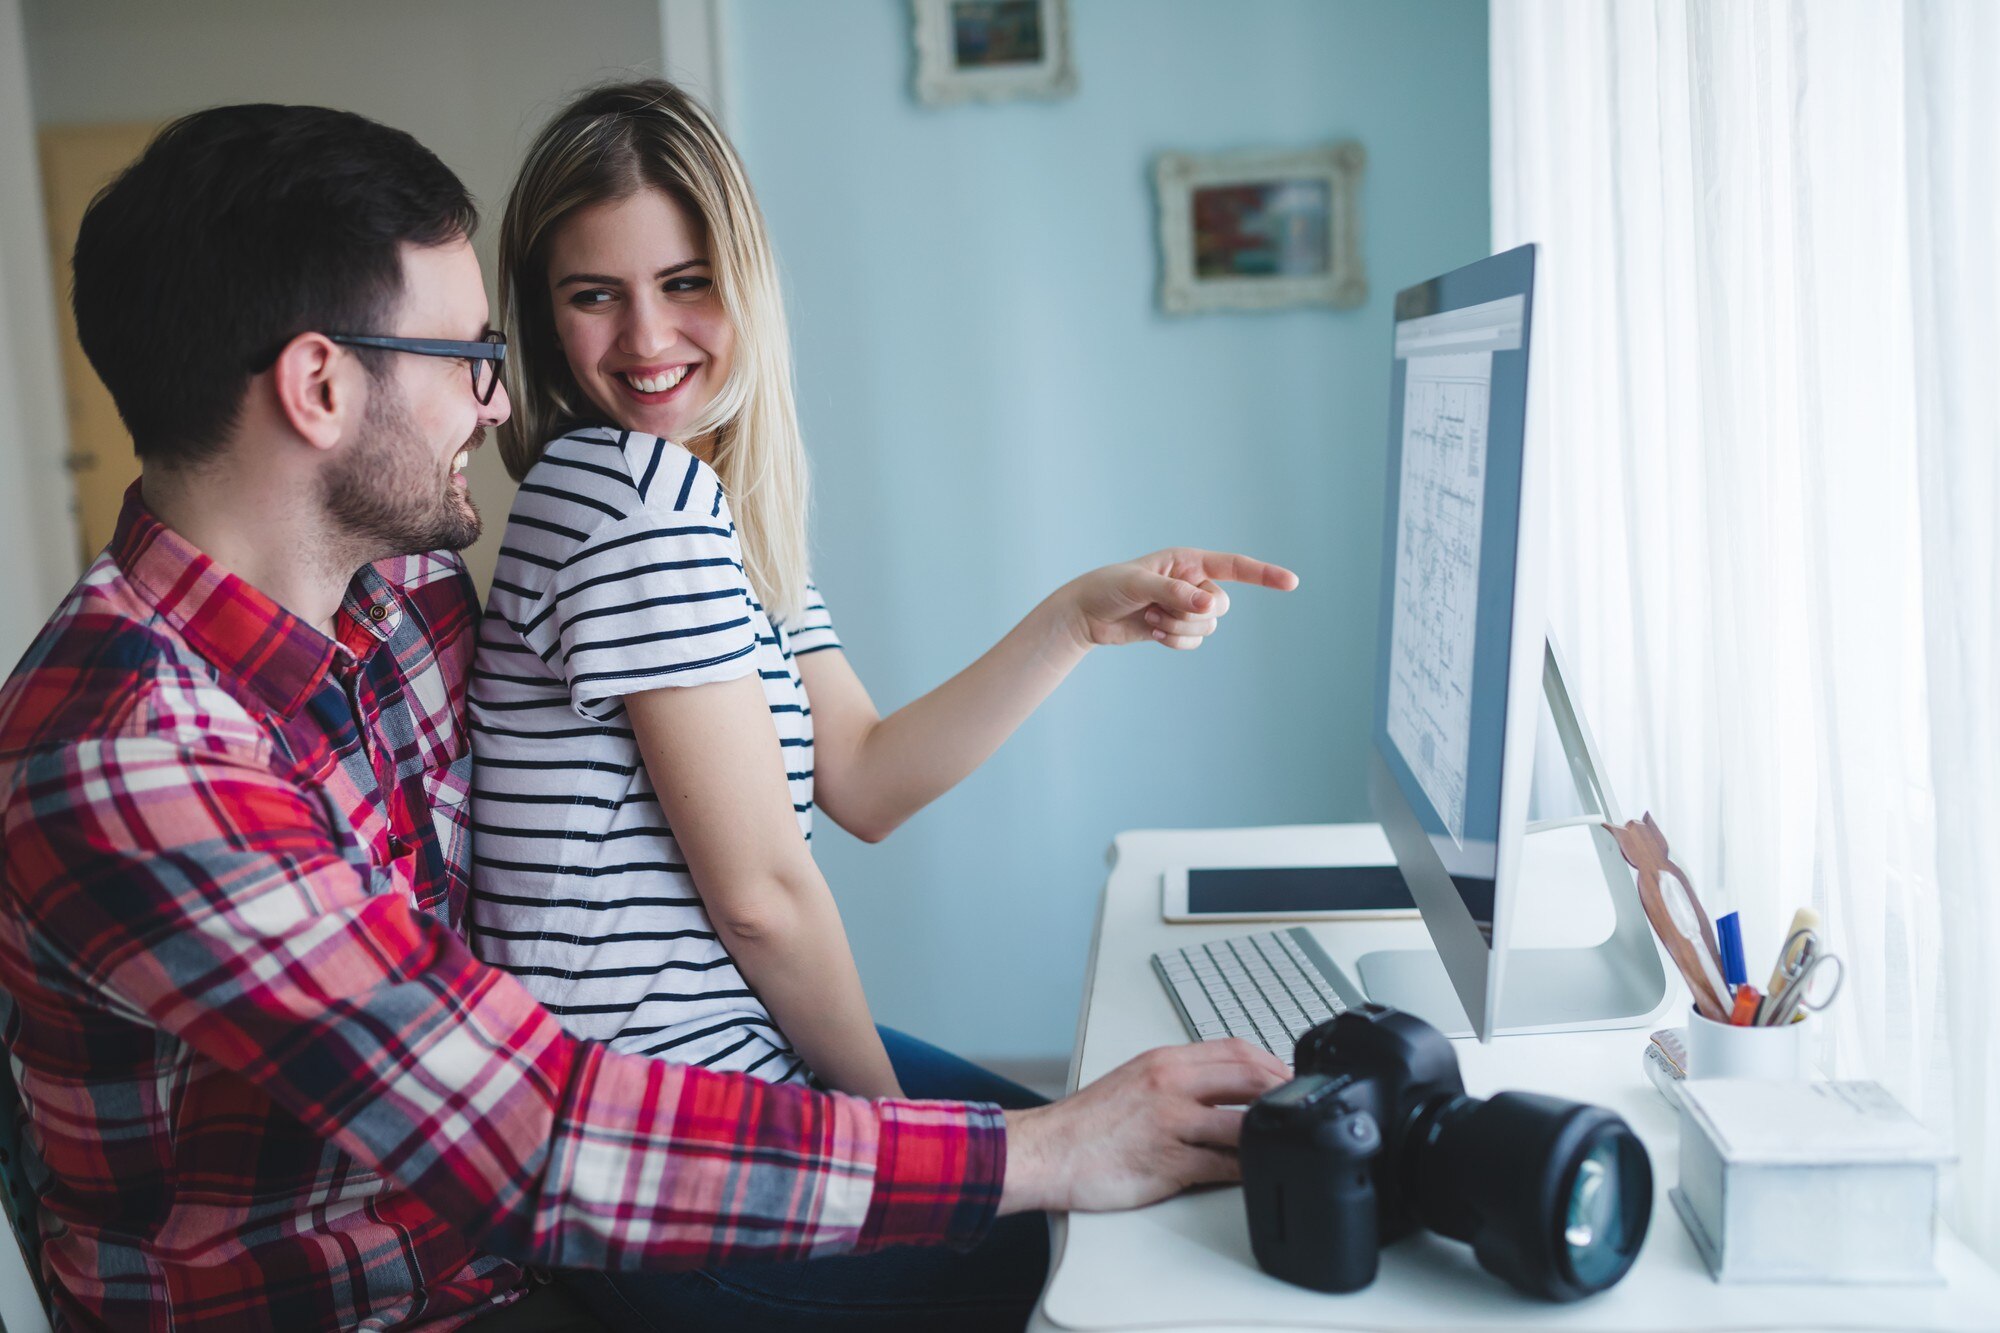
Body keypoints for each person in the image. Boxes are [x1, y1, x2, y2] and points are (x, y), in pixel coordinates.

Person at [0, 104, 1290, 1332]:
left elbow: (842, 776)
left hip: (519, 1207)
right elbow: (532, 1123)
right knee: (1137, 1271)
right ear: (321, 389)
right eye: (468, 360)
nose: (498, 406)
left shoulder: (393, 600)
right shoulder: (130, 757)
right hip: (404, 1294)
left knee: (1183, 1187)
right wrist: (1030, 1152)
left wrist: (1066, 619)